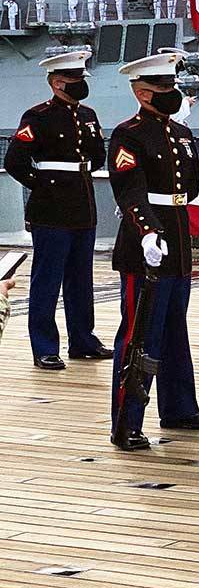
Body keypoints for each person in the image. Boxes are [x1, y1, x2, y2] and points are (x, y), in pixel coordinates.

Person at [108, 50, 199, 452]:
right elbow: (129, 189)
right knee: (140, 333)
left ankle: (179, 408)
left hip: (178, 239)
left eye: (172, 85)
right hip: (147, 245)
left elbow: (189, 187)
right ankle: (127, 420)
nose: (170, 92)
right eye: (161, 87)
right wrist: (147, 231)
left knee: (175, 329)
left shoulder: (181, 133)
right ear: (142, 93)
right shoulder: (128, 134)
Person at [4, 50, 111, 370]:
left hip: (82, 204)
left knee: (81, 279)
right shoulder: (37, 116)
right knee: (47, 280)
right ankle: (45, 346)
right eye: (73, 80)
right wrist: (43, 185)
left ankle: (83, 340)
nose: (79, 85)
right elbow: (15, 161)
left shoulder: (89, 115)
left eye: (81, 79)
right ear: (56, 83)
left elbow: (96, 157)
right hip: (51, 210)